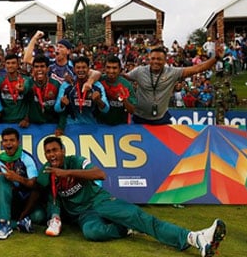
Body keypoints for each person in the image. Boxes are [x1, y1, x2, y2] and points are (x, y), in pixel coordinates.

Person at [36, 136, 226, 257]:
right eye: (48, 152)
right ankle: (127, 228)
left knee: (138, 216)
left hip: (100, 201)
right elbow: (45, 194)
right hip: (84, 215)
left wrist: (67, 173)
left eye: (55, 150)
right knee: (92, 233)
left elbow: (100, 174)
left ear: (63, 151)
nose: (52, 155)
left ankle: (193, 238)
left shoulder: (76, 161)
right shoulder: (46, 172)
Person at [125, 44, 223, 124]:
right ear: (149, 59)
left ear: (165, 61)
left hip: (161, 118)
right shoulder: (139, 71)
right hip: (140, 118)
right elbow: (124, 77)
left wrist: (216, 58)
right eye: (153, 58)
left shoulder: (172, 72)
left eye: (159, 59)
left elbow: (197, 68)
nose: (155, 61)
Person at [0, 127, 45, 240]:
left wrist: (18, 178)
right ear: (2, 143)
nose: (8, 143)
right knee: (3, 178)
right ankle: (4, 224)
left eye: (12, 140)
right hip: (10, 202)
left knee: (38, 216)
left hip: (27, 202)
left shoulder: (26, 158)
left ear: (18, 142)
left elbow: (34, 184)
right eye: (5, 141)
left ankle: (13, 221)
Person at [54, 56, 109, 135]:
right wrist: (62, 104)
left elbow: (106, 109)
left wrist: (99, 101)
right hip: (71, 126)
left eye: (84, 67)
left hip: (92, 126)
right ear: (74, 69)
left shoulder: (97, 86)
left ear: (88, 69)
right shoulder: (66, 85)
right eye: (78, 68)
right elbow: (57, 108)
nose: (81, 70)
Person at [0, 53, 31, 126]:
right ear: (5, 65)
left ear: (18, 65)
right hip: (4, 121)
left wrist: (22, 89)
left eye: (13, 63)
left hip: (21, 122)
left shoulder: (26, 80)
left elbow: (28, 93)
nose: (10, 65)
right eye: (8, 63)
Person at [24, 54, 60, 128]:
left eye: (42, 66)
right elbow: (24, 103)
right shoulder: (29, 83)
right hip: (33, 126)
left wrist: (60, 126)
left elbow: (61, 109)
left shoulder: (56, 84)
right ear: (33, 69)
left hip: (52, 125)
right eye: (36, 67)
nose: (39, 69)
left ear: (48, 69)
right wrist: (25, 118)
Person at [99, 55, 136, 125]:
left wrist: (124, 99)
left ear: (119, 69)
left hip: (121, 125)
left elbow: (132, 111)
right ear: (104, 68)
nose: (111, 71)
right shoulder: (99, 80)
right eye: (108, 67)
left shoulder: (126, 85)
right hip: (100, 125)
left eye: (114, 68)